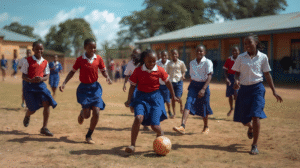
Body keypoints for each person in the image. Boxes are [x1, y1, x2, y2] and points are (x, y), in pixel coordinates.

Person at [232, 34, 283, 155]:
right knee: (244, 120)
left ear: (255, 43)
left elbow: (267, 75)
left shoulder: (263, 57)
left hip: (257, 89)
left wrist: (274, 91)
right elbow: (237, 73)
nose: (247, 45)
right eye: (245, 43)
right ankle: (250, 127)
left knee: (256, 115)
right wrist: (236, 80)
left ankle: (254, 145)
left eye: (249, 42)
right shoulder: (240, 57)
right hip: (244, 90)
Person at [59, 38, 112, 144]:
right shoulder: (80, 59)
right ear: (85, 48)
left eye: (94, 47)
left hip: (95, 88)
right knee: (87, 115)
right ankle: (82, 114)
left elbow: (103, 70)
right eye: (90, 47)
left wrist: (107, 77)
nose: (93, 49)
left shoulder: (98, 58)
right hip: (83, 89)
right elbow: (72, 72)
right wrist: (64, 82)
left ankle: (89, 135)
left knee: (96, 111)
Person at [124, 49, 178, 153]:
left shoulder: (160, 70)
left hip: (155, 99)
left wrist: (173, 95)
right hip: (141, 98)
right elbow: (132, 86)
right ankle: (132, 145)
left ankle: (161, 136)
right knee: (138, 118)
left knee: (155, 126)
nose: (152, 64)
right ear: (144, 60)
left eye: (154, 61)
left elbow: (168, 83)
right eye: (149, 61)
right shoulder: (138, 70)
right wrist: (129, 100)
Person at [173, 45, 213, 135]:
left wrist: (203, 89)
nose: (199, 53)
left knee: (204, 106)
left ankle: (206, 127)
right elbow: (191, 76)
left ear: (204, 52)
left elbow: (209, 76)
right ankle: (182, 126)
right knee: (188, 102)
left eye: (201, 51)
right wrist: (190, 86)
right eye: (197, 51)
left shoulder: (208, 62)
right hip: (194, 86)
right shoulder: (192, 63)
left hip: (204, 85)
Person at [21, 41, 57, 136]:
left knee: (47, 102)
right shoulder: (27, 61)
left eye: (41, 49)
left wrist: (41, 78)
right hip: (29, 86)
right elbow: (23, 76)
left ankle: (44, 128)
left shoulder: (45, 62)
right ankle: (27, 115)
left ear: (43, 50)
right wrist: (31, 80)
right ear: (33, 50)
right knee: (32, 109)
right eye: (36, 49)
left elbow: (47, 76)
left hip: (41, 86)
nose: (39, 51)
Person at [123, 48, 150, 131]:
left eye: (138, 54)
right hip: (133, 85)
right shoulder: (130, 63)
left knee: (143, 104)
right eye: (134, 53)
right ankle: (132, 106)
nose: (136, 55)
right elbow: (127, 74)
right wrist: (124, 84)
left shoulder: (143, 62)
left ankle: (144, 123)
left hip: (142, 85)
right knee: (134, 106)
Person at [166, 49, 187, 118]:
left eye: (175, 54)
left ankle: (181, 107)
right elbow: (167, 72)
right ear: (170, 56)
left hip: (179, 81)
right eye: (172, 54)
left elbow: (184, 71)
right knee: (173, 98)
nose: (174, 55)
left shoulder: (181, 62)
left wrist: (183, 76)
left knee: (178, 97)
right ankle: (174, 113)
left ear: (178, 55)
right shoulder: (169, 63)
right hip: (171, 82)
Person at [223, 46, 240, 116]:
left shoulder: (241, 59)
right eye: (233, 51)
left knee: (236, 95)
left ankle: (237, 110)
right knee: (230, 95)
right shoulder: (229, 59)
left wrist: (238, 80)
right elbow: (225, 69)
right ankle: (231, 108)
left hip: (238, 78)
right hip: (230, 77)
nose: (234, 52)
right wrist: (226, 78)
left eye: (236, 51)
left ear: (239, 52)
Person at [156, 50, 172, 118]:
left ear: (167, 56)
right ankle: (161, 112)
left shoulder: (170, 63)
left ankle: (169, 111)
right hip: (159, 84)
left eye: (165, 56)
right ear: (160, 56)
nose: (164, 57)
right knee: (160, 100)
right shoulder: (157, 63)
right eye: (162, 55)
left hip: (167, 85)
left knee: (168, 100)